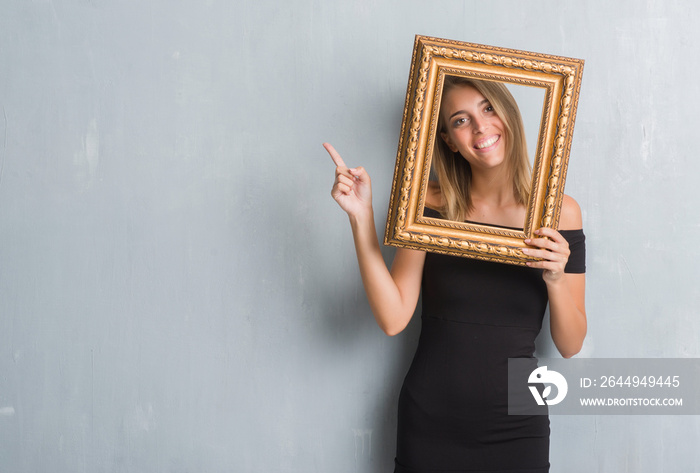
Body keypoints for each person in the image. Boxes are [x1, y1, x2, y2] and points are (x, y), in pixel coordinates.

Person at [325, 75, 586, 473]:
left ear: (508, 114)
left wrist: (555, 278)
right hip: (431, 419)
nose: (481, 127)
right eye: (461, 120)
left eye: (488, 108)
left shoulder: (559, 211)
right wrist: (362, 220)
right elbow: (394, 318)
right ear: (448, 139)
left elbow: (570, 344)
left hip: (518, 425)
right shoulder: (427, 204)